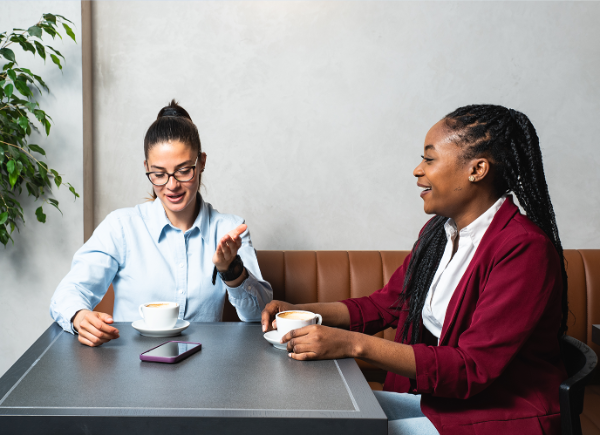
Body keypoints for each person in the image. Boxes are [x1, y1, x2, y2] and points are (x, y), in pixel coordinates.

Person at [261, 104, 567, 435]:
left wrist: (352, 344)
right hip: (436, 400)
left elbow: (471, 369)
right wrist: (301, 311)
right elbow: (386, 304)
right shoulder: (439, 233)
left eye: (430, 158)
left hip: (493, 416)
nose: (417, 170)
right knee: (311, 415)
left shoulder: (524, 249)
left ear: (477, 169)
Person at [51, 100, 272, 347]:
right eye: (158, 174)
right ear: (146, 168)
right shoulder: (121, 227)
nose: (171, 185)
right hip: (131, 370)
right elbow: (67, 293)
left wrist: (232, 270)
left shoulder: (229, 229)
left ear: (201, 163)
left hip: (206, 371)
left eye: (183, 170)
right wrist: (80, 316)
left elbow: (259, 316)